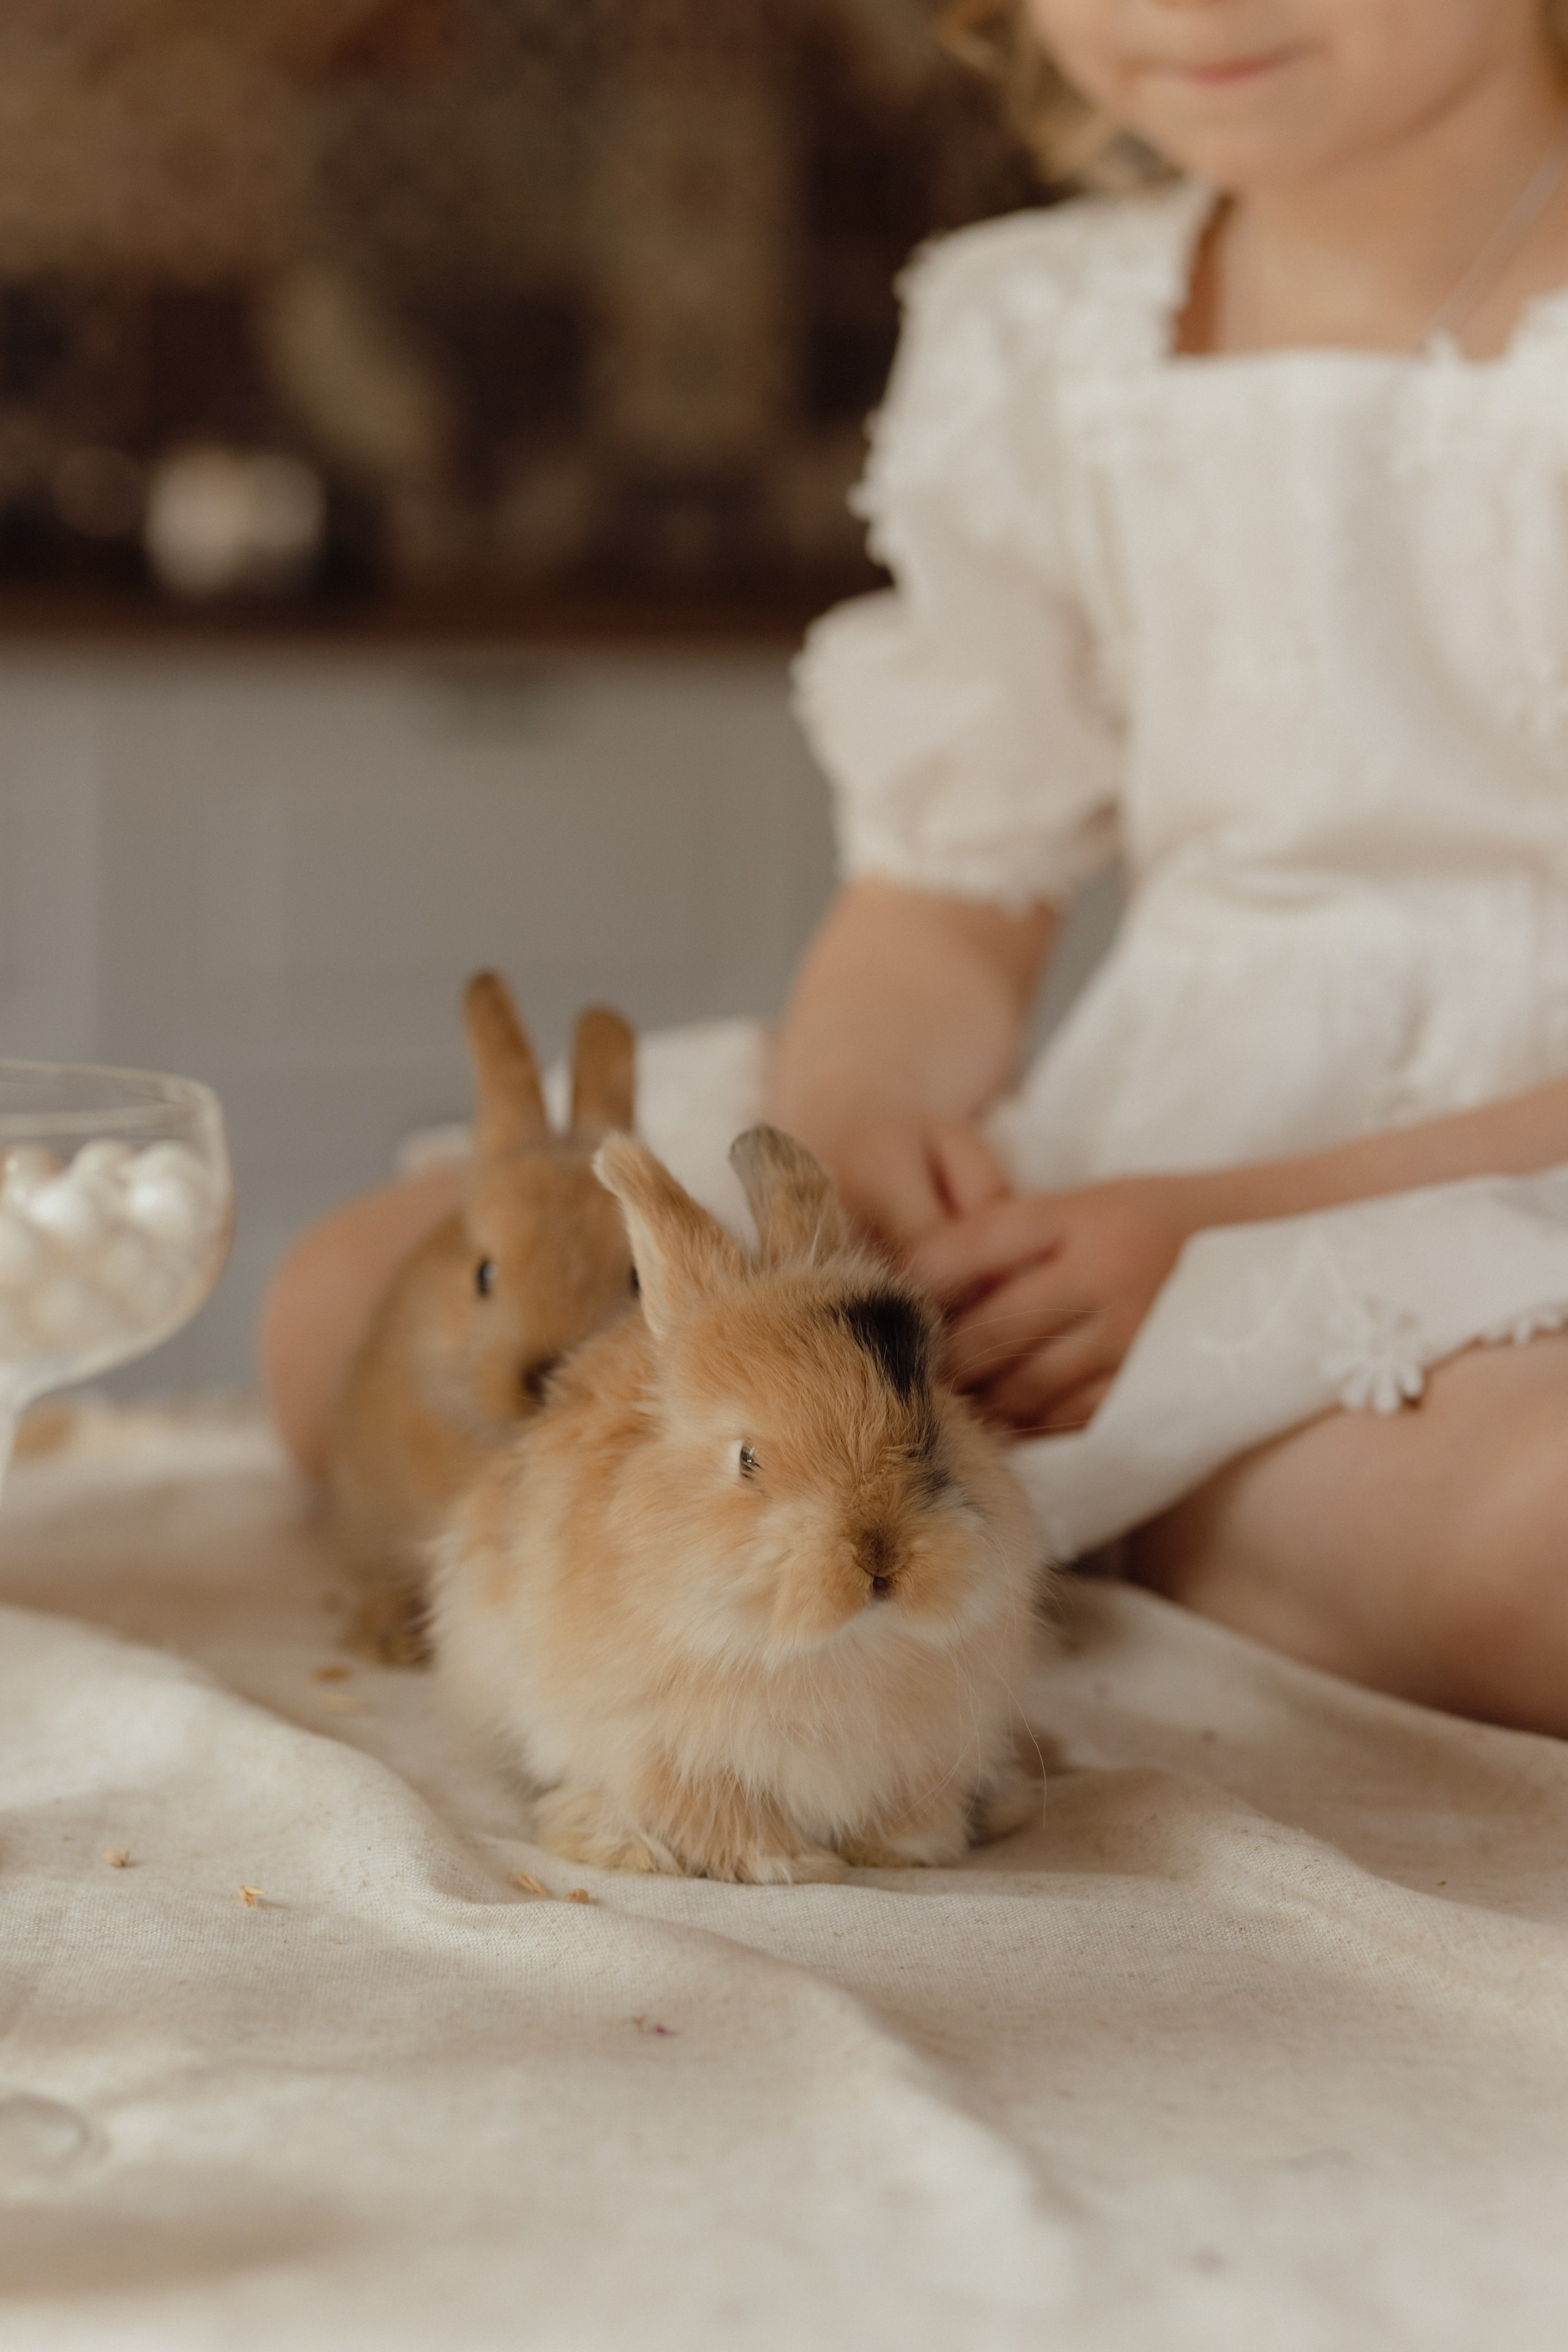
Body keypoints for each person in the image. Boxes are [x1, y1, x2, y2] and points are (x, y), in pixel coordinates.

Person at [266, 0, 1568, 1737]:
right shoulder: (1047, 331)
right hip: (1138, 1148)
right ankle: (1130, 1506)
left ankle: (1155, 1509)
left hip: (1503, 1173)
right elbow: (947, 901)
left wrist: (1217, 1242)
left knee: (1539, 1544)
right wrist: (861, 1127)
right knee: (348, 1311)